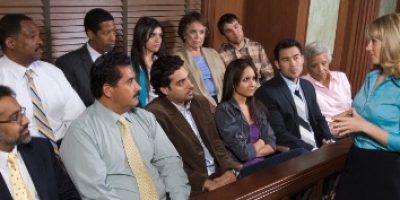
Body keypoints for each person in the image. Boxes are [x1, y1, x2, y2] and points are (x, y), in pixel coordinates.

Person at [60, 52, 190, 200]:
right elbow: (97, 193)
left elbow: (170, 163)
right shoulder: (81, 132)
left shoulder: (145, 118)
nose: (139, 87)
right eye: (130, 82)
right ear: (108, 90)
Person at [146, 55, 241, 195]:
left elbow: (216, 142)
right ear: (165, 90)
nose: (190, 85)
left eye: (188, 78)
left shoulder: (200, 102)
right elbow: (167, 165)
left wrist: (229, 170)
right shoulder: (154, 115)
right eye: (181, 82)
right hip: (192, 185)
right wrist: (204, 183)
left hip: (219, 173)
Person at [332, 13, 400, 200]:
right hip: (356, 159)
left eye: (373, 41)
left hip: (386, 168)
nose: (367, 47)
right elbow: (363, 117)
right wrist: (349, 122)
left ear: (391, 43)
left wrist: (362, 126)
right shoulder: (371, 76)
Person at [0, 14, 85, 147]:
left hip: (66, 146)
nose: (40, 41)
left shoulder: (52, 71)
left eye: (39, 36)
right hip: (22, 153)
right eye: (32, 36)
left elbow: (78, 117)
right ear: (11, 43)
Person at [215, 58, 305, 177]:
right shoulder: (224, 110)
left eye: (254, 78)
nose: (253, 84)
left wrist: (256, 149)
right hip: (244, 169)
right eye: (246, 80)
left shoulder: (256, 106)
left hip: (264, 163)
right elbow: (243, 154)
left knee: (302, 160)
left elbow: (272, 144)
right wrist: (262, 142)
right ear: (233, 83)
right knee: (300, 153)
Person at [0, 85, 81, 200]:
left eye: (21, 113)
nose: (25, 121)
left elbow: (68, 194)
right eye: (15, 117)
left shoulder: (40, 149)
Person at [255, 38, 333, 151]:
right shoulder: (267, 92)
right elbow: (279, 132)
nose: (293, 64)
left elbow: (319, 119)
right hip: (293, 154)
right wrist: (312, 150)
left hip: (317, 149)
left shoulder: (307, 86)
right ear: (277, 64)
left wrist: (328, 139)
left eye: (296, 58)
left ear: (302, 59)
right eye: (286, 60)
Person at [56, 8, 116, 107]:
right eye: (106, 33)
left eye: (114, 32)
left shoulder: (119, 60)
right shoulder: (67, 64)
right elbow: (72, 107)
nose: (112, 38)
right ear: (91, 34)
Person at [176, 11, 225, 106]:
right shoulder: (178, 58)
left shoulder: (213, 53)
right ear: (184, 34)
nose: (198, 36)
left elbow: (225, 79)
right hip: (198, 104)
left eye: (201, 32)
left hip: (223, 100)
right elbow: (182, 89)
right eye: (193, 32)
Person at [302, 41, 352, 125]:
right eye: (314, 66)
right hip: (325, 131)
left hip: (349, 128)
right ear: (307, 67)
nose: (320, 69)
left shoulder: (341, 77)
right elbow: (310, 117)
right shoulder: (303, 84)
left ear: (329, 61)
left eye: (323, 63)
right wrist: (336, 120)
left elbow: (349, 107)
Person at [217, 13, 274, 83]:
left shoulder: (257, 47)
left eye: (236, 27)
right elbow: (223, 83)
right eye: (229, 31)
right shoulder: (221, 55)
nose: (235, 33)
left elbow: (269, 75)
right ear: (224, 35)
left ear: (241, 26)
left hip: (259, 91)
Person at [130, 16, 165, 107]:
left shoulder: (162, 62)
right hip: (142, 113)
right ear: (141, 36)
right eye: (152, 35)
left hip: (164, 111)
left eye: (160, 35)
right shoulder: (129, 64)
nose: (158, 40)